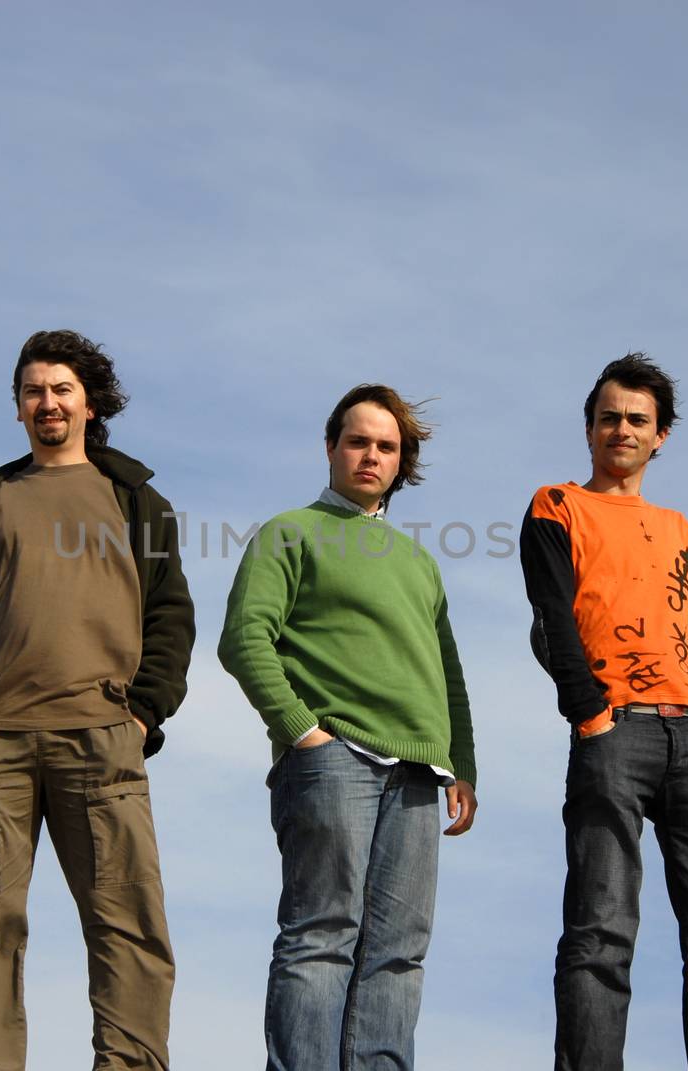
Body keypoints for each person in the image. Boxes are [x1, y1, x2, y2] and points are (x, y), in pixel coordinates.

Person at [0, 329, 194, 1071]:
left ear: (90, 402)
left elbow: (171, 614)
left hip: (100, 737)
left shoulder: (138, 500)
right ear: (18, 407)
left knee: (126, 919)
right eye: (34, 390)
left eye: (62, 389)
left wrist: (142, 714)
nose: (48, 401)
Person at [519, 352, 688, 1069]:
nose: (621, 429)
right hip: (614, 733)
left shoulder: (678, 525)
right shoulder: (556, 506)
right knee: (601, 931)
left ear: (661, 435)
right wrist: (590, 711)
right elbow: (554, 617)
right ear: (590, 427)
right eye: (609, 418)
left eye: (637, 420)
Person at [218, 383, 478, 1071]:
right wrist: (303, 730)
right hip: (334, 759)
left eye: (386, 446)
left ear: (402, 462)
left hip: (421, 773)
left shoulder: (419, 561)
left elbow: (446, 670)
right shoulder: (289, 531)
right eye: (358, 440)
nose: (370, 454)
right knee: (322, 935)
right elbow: (244, 638)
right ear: (330, 447)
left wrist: (465, 765)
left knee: (399, 952)